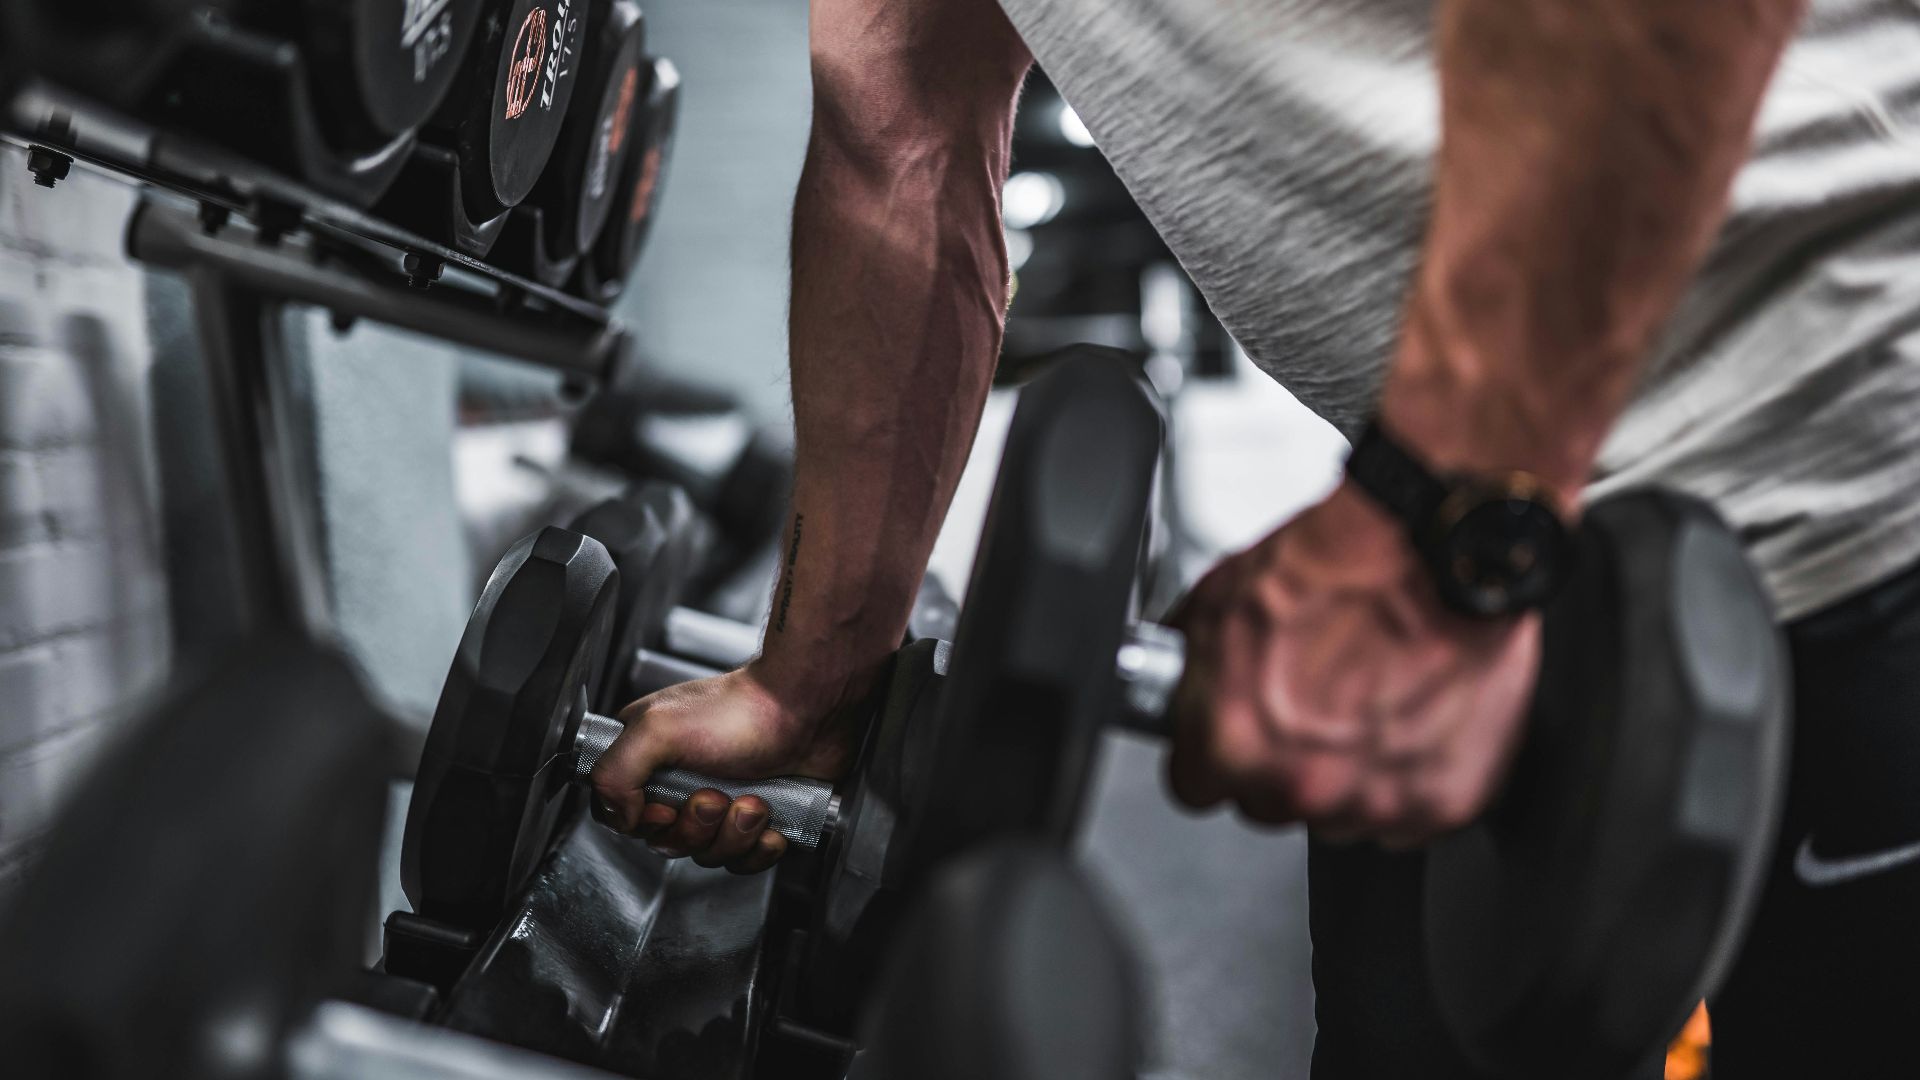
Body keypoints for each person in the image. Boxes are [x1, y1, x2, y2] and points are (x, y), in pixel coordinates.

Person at [592, 1, 1920, 1074]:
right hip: (1488, 535)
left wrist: (1435, 527)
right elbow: (901, 142)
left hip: (1858, 499)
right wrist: (818, 673)